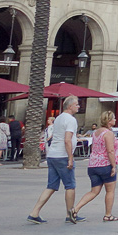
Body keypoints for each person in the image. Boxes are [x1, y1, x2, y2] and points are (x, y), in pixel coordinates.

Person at [28, 95, 83, 224]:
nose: (78, 106)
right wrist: (70, 158)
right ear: (70, 106)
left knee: (51, 185)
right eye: (77, 104)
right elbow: (67, 139)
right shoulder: (70, 120)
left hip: (52, 154)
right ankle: (70, 214)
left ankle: (34, 212)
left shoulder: (58, 118)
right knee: (70, 185)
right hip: (62, 155)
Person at [72, 111, 118, 222]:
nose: (115, 120)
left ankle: (75, 209)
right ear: (109, 121)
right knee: (110, 191)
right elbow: (110, 150)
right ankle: (108, 215)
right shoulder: (108, 133)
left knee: (94, 191)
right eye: (114, 118)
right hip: (105, 164)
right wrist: (113, 166)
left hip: (93, 165)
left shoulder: (96, 132)